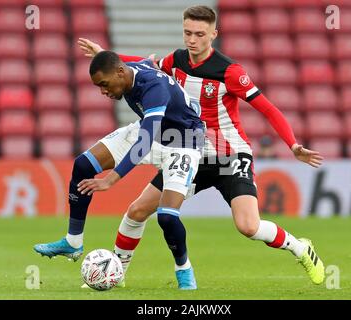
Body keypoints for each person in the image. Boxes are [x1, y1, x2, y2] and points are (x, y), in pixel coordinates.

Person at [77, 5, 326, 287]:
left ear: (213, 34)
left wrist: (292, 144)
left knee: (249, 227)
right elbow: (138, 66)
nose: (192, 40)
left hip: (228, 154)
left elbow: (268, 109)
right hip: (188, 150)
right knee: (137, 211)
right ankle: (116, 274)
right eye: (187, 33)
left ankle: (300, 248)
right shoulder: (176, 61)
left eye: (199, 34)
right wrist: (105, 55)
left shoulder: (230, 72)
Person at [34, 50, 205, 290]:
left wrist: (110, 180)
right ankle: (73, 242)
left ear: (120, 72)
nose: (103, 91)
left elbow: (144, 142)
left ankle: (183, 269)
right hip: (152, 132)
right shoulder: (130, 71)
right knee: (83, 164)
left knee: (166, 216)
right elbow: (142, 61)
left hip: (184, 142)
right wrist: (101, 52)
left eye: (104, 84)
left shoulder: (153, 87)